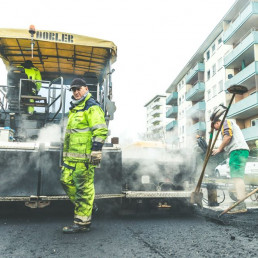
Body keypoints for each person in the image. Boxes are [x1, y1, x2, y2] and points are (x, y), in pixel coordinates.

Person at [60, 78, 108, 234]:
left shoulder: (92, 107)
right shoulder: (75, 109)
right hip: (70, 159)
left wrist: (96, 150)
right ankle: (88, 205)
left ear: (86, 89)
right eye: (73, 90)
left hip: (84, 159)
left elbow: (100, 130)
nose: (75, 92)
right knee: (65, 181)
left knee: (83, 190)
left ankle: (82, 224)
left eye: (78, 89)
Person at [211, 105, 249, 214]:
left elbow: (227, 137)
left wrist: (219, 148)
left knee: (237, 177)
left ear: (217, 123)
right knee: (238, 176)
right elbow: (227, 141)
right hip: (238, 150)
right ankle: (241, 201)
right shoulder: (226, 123)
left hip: (237, 150)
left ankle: (241, 204)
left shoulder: (225, 122)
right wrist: (219, 149)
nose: (216, 130)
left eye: (215, 128)